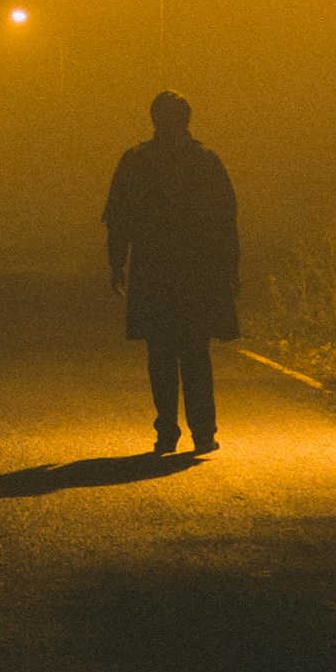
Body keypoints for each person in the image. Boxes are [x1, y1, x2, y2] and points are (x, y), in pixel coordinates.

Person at [102, 91, 241, 455]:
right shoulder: (206, 161)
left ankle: (167, 431)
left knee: (160, 353)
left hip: (154, 271)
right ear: (187, 119)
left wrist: (117, 263)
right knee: (196, 352)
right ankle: (204, 432)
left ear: (154, 119)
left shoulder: (137, 161)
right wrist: (231, 268)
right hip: (198, 272)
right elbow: (227, 220)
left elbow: (117, 217)